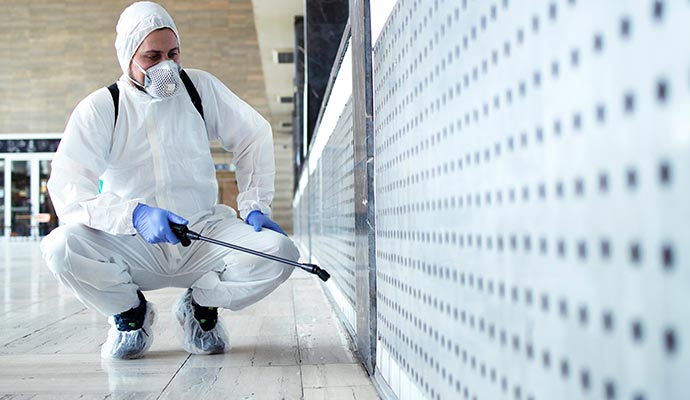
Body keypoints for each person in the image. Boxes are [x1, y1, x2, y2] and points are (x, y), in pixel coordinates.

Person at [40, 1, 299, 360]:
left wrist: (254, 204)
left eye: (173, 53)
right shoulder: (103, 108)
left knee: (280, 253)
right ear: (128, 55)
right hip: (133, 243)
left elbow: (253, 134)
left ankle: (200, 307)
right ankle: (130, 314)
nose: (166, 66)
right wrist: (133, 215)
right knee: (61, 247)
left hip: (201, 234)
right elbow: (68, 188)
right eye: (151, 56)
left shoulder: (199, 88)